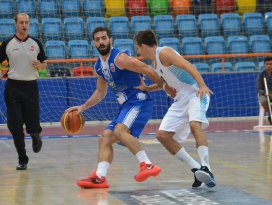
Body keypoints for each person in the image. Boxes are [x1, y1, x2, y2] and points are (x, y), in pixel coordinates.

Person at [67, 27, 164, 189]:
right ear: (93, 43)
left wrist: (161, 85)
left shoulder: (120, 58)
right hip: (126, 106)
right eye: (97, 39)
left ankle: (147, 164)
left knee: (119, 131)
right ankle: (100, 177)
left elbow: (146, 68)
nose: (101, 42)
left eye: (104, 38)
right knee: (105, 137)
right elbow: (100, 91)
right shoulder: (98, 66)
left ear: (110, 40)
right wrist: (82, 107)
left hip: (138, 101)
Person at [134, 30, 216, 188]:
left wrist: (202, 85)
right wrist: (146, 88)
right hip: (180, 99)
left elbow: (187, 65)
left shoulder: (164, 52)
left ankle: (207, 168)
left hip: (194, 92)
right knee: (163, 136)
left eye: (137, 48)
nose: (138, 51)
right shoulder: (154, 63)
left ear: (143, 46)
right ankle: (197, 169)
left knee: (194, 124)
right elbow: (161, 83)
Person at [0, 13, 46, 170]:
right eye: (21, 22)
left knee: (32, 123)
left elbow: (44, 63)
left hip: (31, 87)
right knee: (15, 125)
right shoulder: (7, 43)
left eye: (26, 22)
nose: (24, 25)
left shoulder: (36, 43)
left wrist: (41, 66)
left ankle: (35, 135)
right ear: (16, 24)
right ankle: (22, 159)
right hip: (12, 88)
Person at [257, 57, 272, 125]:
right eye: (267, 64)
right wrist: (266, 93)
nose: (269, 66)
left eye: (271, 64)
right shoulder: (261, 75)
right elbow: (259, 89)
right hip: (264, 95)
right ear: (264, 65)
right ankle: (270, 114)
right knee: (263, 101)